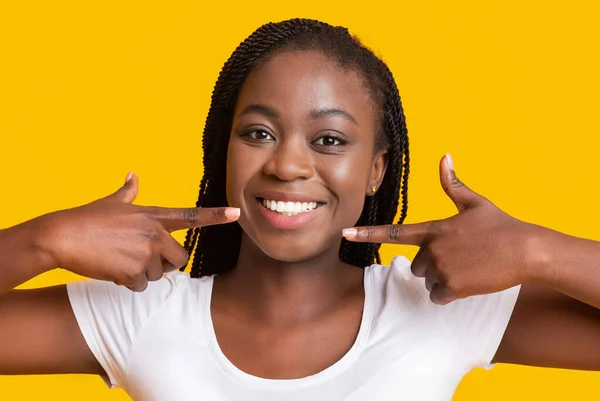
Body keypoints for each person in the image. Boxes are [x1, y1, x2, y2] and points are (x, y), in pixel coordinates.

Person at [0, 18, 598, 401]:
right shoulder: (142, 317)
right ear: (224, 152)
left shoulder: (440, 308)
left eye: (330, 140)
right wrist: (43, 241)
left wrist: (538, 250)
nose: (287, 164)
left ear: (376, 170)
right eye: (257, 133)